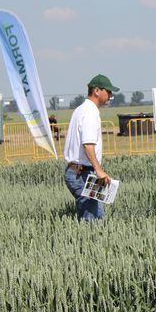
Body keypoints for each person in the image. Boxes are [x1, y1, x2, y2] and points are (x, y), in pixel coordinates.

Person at [63, 74, 119, 220]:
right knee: (92, 220)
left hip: (79, 171)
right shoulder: (90, 112)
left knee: (97, 216)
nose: (111, 95)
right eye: (108, 91)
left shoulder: (81, 109)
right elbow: (88, 144)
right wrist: (99, 170)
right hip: (81, 174)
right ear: (96, 91)